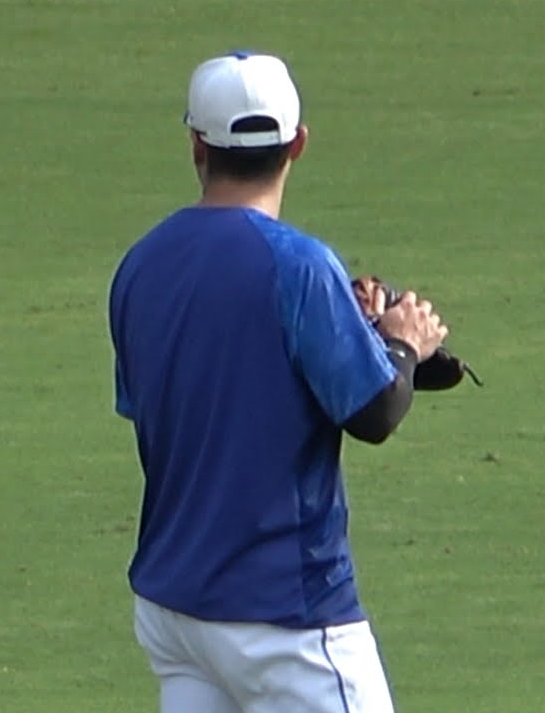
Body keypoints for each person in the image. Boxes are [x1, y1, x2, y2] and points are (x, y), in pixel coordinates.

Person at [107, 51, 449, 713]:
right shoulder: (301, 266)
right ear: (298, 144)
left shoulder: (141, 266)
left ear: (196, 145)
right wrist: (402, 344)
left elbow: (195, 386)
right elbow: (376, 413)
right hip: (285, 616)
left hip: (175, 612)